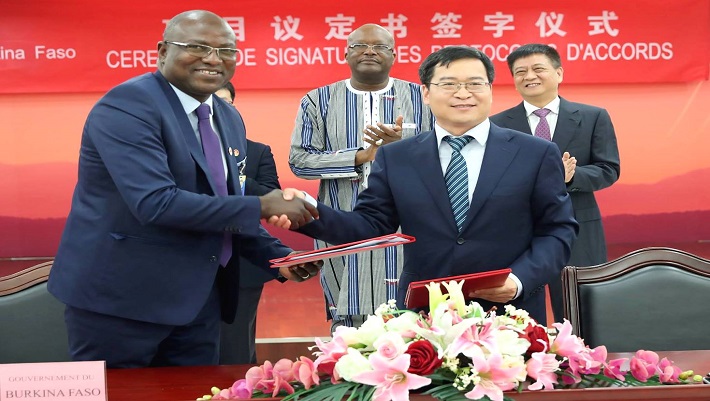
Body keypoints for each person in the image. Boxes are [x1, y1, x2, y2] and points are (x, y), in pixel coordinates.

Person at [47, 10, 321, 368]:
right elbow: (155, 203)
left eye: (226, 50)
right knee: (122, 393)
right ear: (163, 51)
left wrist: (278, 258)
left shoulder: (227, 115)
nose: (213, 59)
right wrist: (262, 205)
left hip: (199, 302)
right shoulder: (128, 106)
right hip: (122, 301)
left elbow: (223, 202)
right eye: (198, 47)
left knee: (195, 391)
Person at [277, 46, 578, 325]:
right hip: (424, 318)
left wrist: (519, 280)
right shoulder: (397, 156)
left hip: (511, 316)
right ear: (425, 93)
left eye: (475, 83)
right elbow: (369, 225)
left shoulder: (535, 153)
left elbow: (557, 230)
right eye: (449, 84)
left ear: (490, 89)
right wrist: (308, 211)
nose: (463, 93)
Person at [288, 23, 433, 329]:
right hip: (340, 216)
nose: (369, 51)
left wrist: (402, 149)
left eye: (379, 46)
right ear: (345, 54)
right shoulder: (318, 100)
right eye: (359, 46)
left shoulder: (422, 98)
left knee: (412, 315)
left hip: (409, 219)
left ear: (394, 55)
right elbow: (300, 161)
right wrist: (360, 156)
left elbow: (445, 155)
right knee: (347, 320)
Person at [490, 44, 620, 322]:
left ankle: (581, 353)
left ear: (558, 73)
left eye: (538, 69)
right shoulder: (496, 125)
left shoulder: (592, 117)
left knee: (580, 311)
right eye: (520, 72)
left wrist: (572, 176)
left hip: (577, 228)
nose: (529, 76)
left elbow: (609, 169)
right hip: (517, 231)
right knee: (518, 315)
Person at [215, 82, 281, 364]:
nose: (218, 109)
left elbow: (272, 197)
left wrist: (234, 178)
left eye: (225, 103)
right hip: (188, 265)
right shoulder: (177, 149)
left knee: (236, 349)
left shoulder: (256, 151)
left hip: (243, 261)